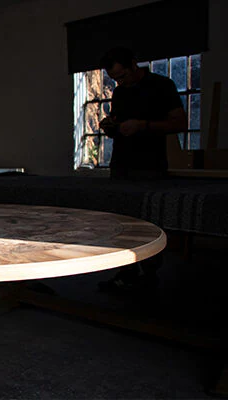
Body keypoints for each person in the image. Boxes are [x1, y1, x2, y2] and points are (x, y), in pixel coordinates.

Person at [97, 47, 188, 293]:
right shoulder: (120, 92)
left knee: (148, 222)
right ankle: (125, 273)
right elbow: (119, 124)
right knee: (120, 222)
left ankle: (149, 276)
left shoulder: (162, 86)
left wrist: (143, 125)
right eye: (115, 78)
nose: (120, 82)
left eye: (123, 75)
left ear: (134, 64)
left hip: (150, 166)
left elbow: (180, 123)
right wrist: (111, 126)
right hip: (121, 165)